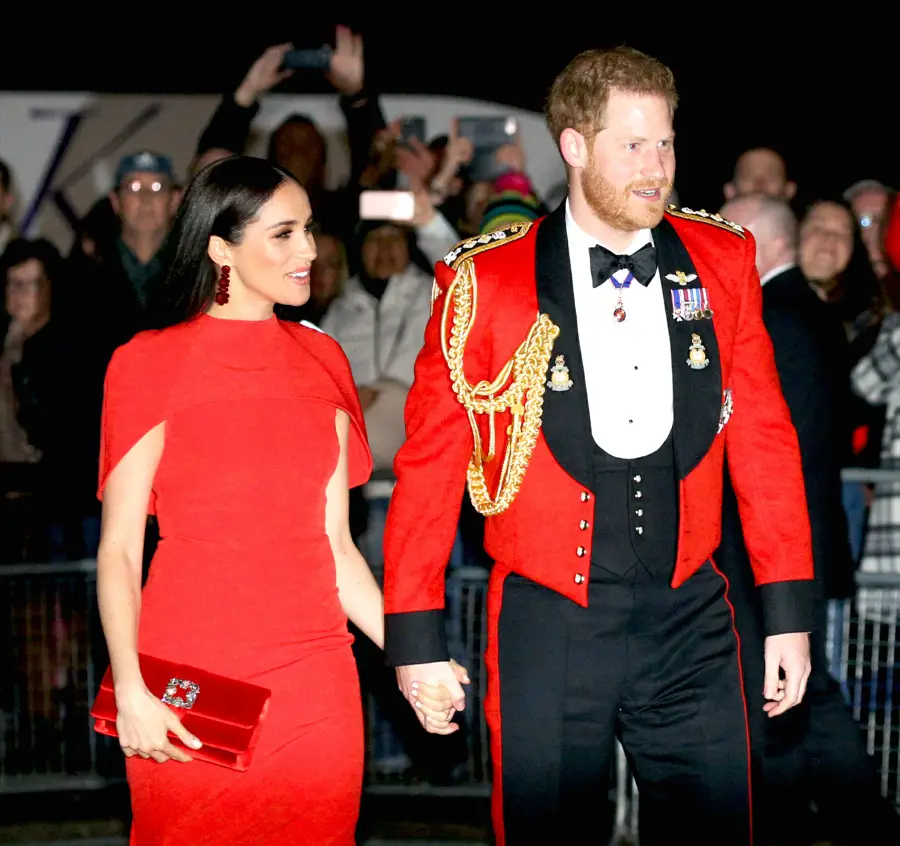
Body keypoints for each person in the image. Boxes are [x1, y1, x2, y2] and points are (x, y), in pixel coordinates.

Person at [382, 47, 815, 846]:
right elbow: (430, 462)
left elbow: (764, 439)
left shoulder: (722, 259)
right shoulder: (486, 282)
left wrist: (789, 611)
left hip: (692, 612)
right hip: (551, 620)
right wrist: (415, 639)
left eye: (667, 144)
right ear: (574, 146)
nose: (656, 169)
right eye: (633, 146)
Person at [94, 156, 464, 845]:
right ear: (220, 248)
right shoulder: (147, 363)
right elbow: (118, 549)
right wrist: (132, 687)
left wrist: (414, 656)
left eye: (310, 232)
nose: (309, 252)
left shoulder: (323, 360)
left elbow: (336, 547)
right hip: (189, 672)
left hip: (315, 680)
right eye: (284, 235)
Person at [717, 194, 900, 843]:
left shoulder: (780, 316)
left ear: (755, 242)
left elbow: (763, 450)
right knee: (802, 696)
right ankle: (853, 822)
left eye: (725, 230)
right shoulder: (804, 312)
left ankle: (799, 826)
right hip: (792, 546)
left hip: (775, 551)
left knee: (785, 701)